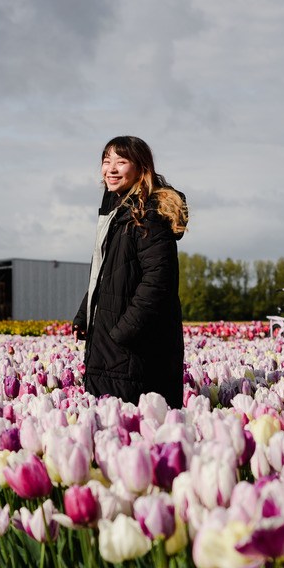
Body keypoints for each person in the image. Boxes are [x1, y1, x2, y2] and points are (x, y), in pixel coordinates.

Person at [72, 136, 188, 409]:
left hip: (134, 351)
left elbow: (158, 281)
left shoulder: (148, 214)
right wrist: (85, 314)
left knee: (130, 435)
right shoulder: (116, 214)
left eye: (120, 162)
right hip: (112, 348)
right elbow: (106, 274)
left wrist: (123, 333)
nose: (110, 169)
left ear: (141, 168)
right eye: (106, 161)